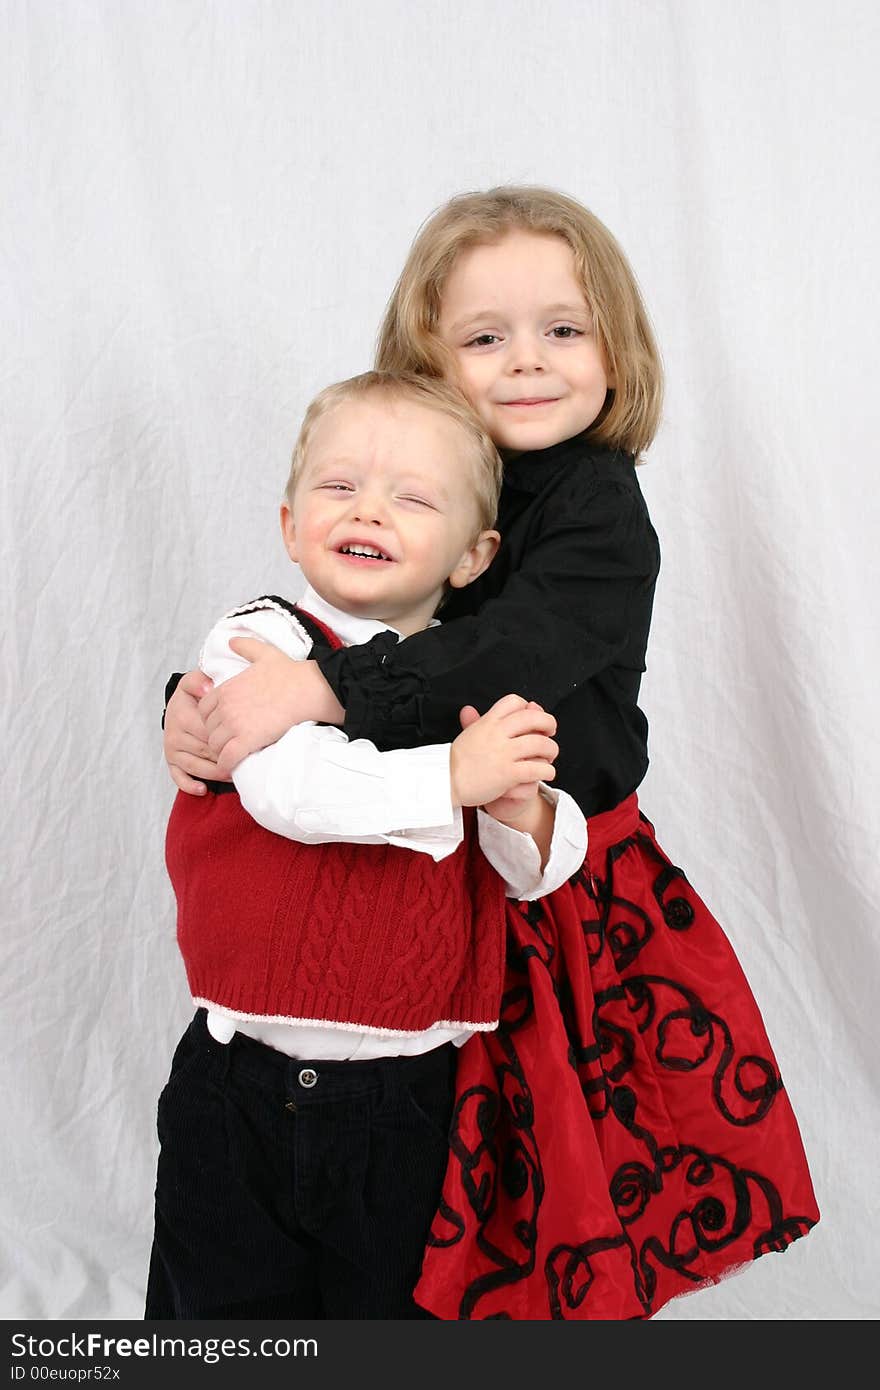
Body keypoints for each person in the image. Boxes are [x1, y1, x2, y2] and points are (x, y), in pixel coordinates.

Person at [163, 186, 821, 1320]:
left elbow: (505, 648)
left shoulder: (600, 508)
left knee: (531, 1183)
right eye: (482, 337)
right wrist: (199, 702)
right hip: (412, 867)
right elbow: (315, 621)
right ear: (427, 357)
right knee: (413, 1173)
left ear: (615, 351)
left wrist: (320, 689)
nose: (525, 361)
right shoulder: (413, 479)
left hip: (555, 871)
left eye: (562, 329)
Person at [147, 369, 588, 1321]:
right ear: (290, 520)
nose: (370, 510)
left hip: (411, 1100)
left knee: (385, 1319)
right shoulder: (259, 642)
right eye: (340, 486)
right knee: (218, 1319)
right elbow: (290, 790)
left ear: (473, 557)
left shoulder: (467, 675)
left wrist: (521, 812)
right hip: (242, 1087)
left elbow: (531, 874)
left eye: (413, 497)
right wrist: (451, 780)